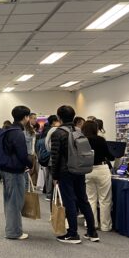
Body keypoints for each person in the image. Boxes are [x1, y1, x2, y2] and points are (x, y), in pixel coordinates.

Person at [51, 105, 98, 244]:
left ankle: (72, 234)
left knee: (69, 201)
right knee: (83, 200)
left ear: (59, 117)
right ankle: (92, 232)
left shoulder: (57, 133)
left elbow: (55, 156)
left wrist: (54, 176)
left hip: (66, 171)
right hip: (80, 169)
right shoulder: (79, 131)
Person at [1, 106, 33, 240]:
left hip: (6, 169)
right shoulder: (18, 132)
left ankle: (11, 229)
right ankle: (14, 232)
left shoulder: (8, 130)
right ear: (25, 117)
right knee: (15, 202)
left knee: (9, 200)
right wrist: (30, 164)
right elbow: (22, 154)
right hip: (15, 171)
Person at [82, 120, 114, 232]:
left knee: (90, 199)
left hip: (87, 170)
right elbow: (109, 156)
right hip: (101, 169)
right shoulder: (101, 140)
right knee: (104, 199)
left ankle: (92, 224)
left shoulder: (82, 141)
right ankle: (105, 226)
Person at [44, 115, 61, 201]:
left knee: (49, 175)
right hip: (54, 157)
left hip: (50, 156)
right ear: (54, 121)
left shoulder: (50, 130)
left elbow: (46, 145)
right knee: (52, 175)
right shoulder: (55, 130)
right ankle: (51, 195)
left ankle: (48, 194)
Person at [24, 117, 38, 187]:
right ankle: (26, 190)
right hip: (28, 153)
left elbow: (34, 142)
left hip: (32, 153)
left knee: (32, 171)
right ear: (30, 119)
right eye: (34, 118)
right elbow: (25, 139)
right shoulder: (25, 129)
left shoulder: (32, 128)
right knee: (27, 172)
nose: (36, 120)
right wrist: (33, 135)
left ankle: (29, 187)